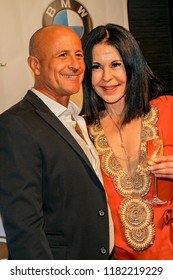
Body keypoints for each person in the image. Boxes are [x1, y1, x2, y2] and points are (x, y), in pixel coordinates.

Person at [0, 25, 113, 260]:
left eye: (79, 55)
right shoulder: (15, 125)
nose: (75, 64)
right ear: (35, 65)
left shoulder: (77, 120)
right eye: (62, 55)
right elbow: (24, 229)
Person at [82, 23, 173, 260]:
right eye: (96, 67)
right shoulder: (82, 132)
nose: (106, 77)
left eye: (115, 64)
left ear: (132, 65)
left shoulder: (167, 110)